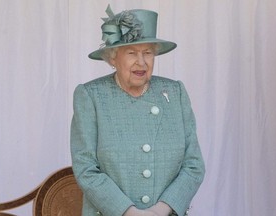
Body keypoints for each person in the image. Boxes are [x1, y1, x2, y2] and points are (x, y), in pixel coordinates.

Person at [70, 5, 205, 216]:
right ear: (113, 57)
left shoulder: (175, 93)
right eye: (131, 53)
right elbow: (86, 169)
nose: (141, 62)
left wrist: (161, 210)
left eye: (148, 53)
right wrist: (129, 212)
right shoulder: (91, 96)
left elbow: (194, 165)